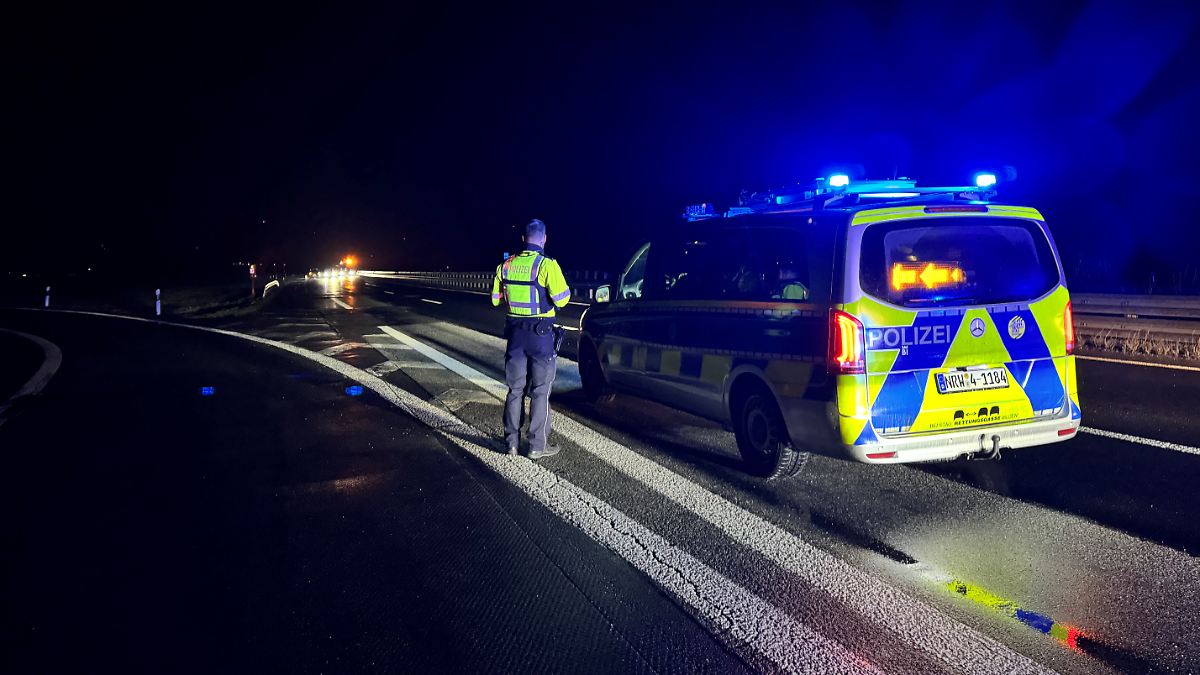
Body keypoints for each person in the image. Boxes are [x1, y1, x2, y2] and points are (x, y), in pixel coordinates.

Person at [491, 219, 572, 459]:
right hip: (541, 338)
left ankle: (511, 444)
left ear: (523, 239)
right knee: (540, 391)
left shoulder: (504, 266)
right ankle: (537, 446)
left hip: (515, 336)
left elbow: (496, 300)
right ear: (544, 239)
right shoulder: (547, 265)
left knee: (514, 390)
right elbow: (562, 299)